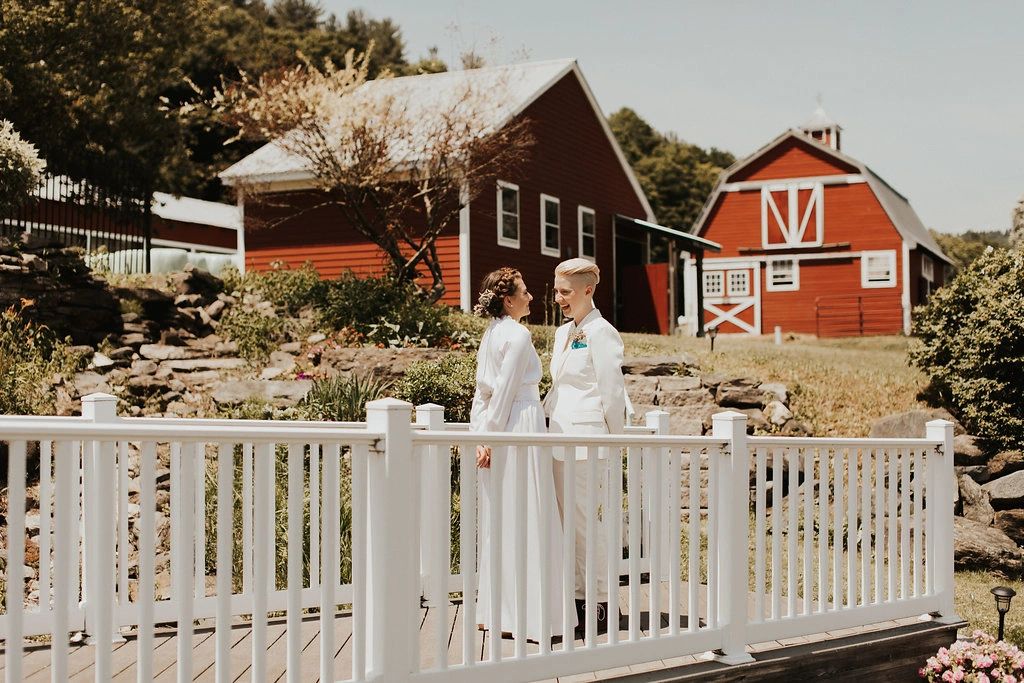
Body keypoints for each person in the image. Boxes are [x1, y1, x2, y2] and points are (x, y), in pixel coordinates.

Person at [470, 267, 566, 642]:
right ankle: (532, 617)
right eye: (524, 292)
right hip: (520, 423)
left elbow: (483, 393)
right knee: (529, 512)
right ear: (508, 300)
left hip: (497, 426)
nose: (530, 297)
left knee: (503, 516)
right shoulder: (518, 334)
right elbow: (507, 390)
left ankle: (499, 612)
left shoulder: (491, 334)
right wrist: (489, 437)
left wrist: (481, 434)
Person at [544, 258, 627, 635]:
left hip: (586, 442)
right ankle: (577, 603)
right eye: (557, 289)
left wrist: (615, 441)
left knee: (584, 527)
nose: (558, 297)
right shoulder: (563, 334)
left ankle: (602, 604)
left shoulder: (603, 332)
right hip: (557, 439)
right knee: (565, 526)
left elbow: (612, 392)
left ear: (588, 290)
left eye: (565, 291)